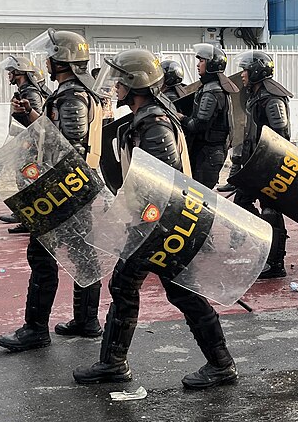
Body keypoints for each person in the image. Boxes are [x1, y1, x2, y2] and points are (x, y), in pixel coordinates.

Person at [73, 48, 238, 389]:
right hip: (152, 223)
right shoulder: (144, 117)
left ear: (134, 84)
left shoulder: (153, 123)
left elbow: (164, 180)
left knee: (177, 291)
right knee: (139, 286)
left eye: (120, 80)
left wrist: (140, 221)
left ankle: (220, 365)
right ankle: (115, 363)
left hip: (160, 224)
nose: (114, 86)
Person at [0, 30, 104, 351]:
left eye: (52, 56)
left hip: (64, 188)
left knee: (42, 256)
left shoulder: (71, 97)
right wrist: (30, 115)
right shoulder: (79, 91)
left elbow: (69, 145)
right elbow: (54, 135)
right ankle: (86, 321)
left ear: (62, 60)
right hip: (79, 186)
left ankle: (35, 329)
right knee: (83, 254)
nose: (47, 61)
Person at [232, 51, 292, 279]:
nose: (242, 75)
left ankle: (276, 263)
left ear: (256, 71)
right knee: (242, 205)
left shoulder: (272, 98)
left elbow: (280, 133)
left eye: (245, 70)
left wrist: (266, 162)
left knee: (271, 211)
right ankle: (265, 239)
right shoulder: (256, 95)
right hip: (255, 164)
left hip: (269, 164)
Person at [0, 54, 49, 235]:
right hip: (27, 144)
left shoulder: (29, 92)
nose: (8, 74)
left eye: (11, 71)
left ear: (20, 72)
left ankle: (30, 219)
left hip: (31, 146)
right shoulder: (25, 90)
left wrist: (28, 144)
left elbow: (36, 122)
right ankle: (26, 216)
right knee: (23, 181)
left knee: (27, 182)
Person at [181, 44, 236, 189]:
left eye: (202, 61)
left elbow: (198, 125)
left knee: (199, 199)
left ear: (211, 64)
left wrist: (181, 119)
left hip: (207, 155)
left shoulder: (212, 92)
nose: (198, 65)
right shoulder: (210, 88)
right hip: (206, 154)